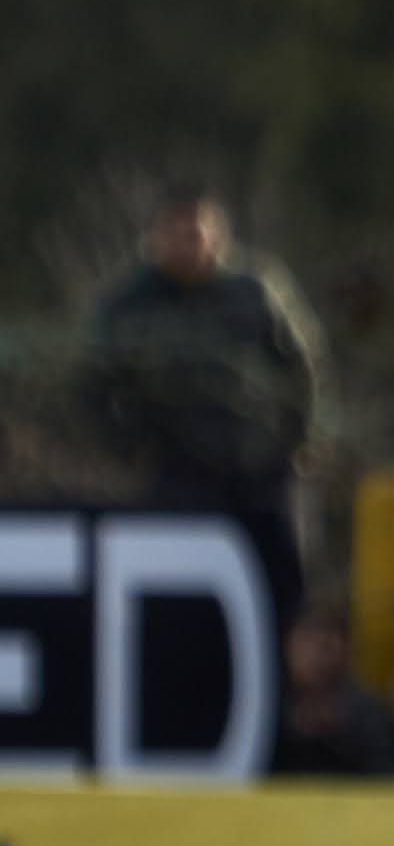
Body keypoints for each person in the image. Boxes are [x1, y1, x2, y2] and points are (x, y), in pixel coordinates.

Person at [76, 185, 320, 631]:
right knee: (174, 590)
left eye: (199, 230)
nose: (190, 242)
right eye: (178, 230)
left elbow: (302, 368)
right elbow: (93, 385)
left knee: (281, 583)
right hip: (176, 467)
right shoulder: (130, 305)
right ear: (157, 236)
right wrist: (128, 447)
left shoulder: (254, 291)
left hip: (257, 464)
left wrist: (297, 439)